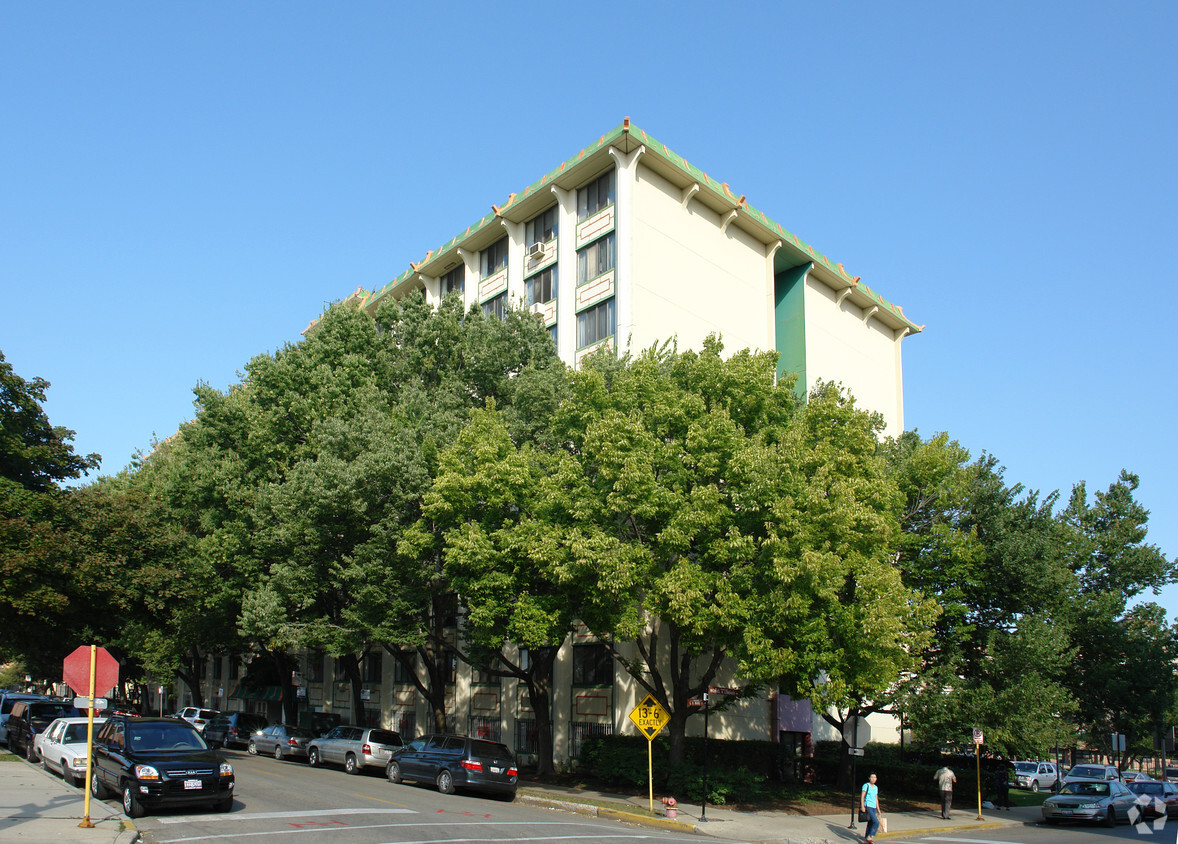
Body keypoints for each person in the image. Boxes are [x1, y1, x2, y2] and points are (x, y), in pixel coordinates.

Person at [860, 771, 883, 843]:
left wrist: (878, 809)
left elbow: (876, 798)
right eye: (872, 777)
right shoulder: (866, 785)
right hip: (868, 806)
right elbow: (862, 796)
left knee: (870, 822)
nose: (873, 779)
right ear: (869, 778)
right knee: (876, 822)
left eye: (874, 777)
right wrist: (862, 806)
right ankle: (871, 835)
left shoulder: (876, 787)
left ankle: (866, 838)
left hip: (873, 807)